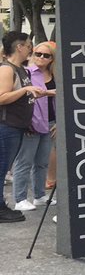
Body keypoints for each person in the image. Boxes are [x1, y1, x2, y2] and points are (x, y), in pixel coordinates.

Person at [0, 32, 49, 221]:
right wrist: (26, 89)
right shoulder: (7, 69)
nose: (31, 49)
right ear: (19, 47)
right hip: (7, 126)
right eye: (29, 46)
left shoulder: (20, 69)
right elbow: (2, 97)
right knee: (3, 167)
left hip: (18, 125)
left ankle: (2, 206)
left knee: (5, 166)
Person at [12, 41, 56, 211]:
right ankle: (20, 198)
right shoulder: (27, 73)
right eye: (38, 54)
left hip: (50, 122)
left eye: (46, 55)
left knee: (42, 162)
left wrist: (59, 122)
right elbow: (23, 97)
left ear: (52, 58)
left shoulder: (55, 75)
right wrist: (27, 123)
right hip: (32, 122)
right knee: (24, 161)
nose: (41, 57)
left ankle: (39, 195)